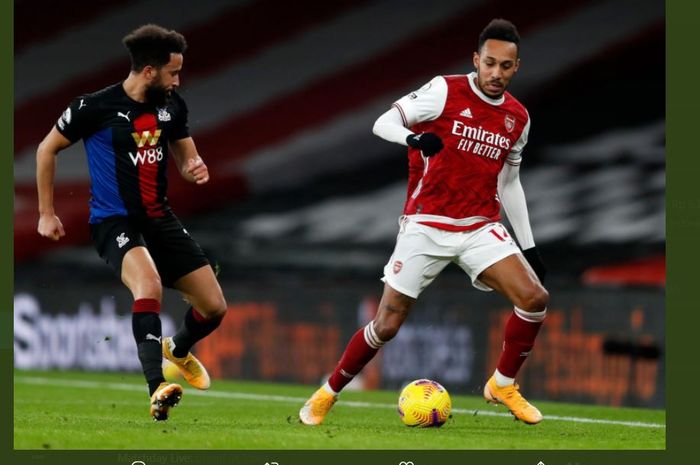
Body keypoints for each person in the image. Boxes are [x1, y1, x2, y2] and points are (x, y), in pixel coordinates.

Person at [300, 18, 548, 426]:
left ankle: (502, 383)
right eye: (489, 63)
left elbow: (510, 182)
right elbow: (383, 122)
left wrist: (530, 246)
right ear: (476, 60)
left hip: (479, 226)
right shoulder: (443, 90)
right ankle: (328, 392)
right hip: (426, 224)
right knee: (387, 324)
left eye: (506, 66)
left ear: (516, 67)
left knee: (535, 299)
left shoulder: (517, 118)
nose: (496, 74)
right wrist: (413, 139)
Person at [36, 24, 228, 421]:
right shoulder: (94, 107)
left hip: (159, 217)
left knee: (213, 307)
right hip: (113, 220)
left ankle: (177, 349)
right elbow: (46, 149)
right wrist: (46, 212)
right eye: (172, 72)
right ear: (148, 71)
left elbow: (186, 157)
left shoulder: (172, 106)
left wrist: (193, 167)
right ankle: (157, 387)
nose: (178, 80)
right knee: (149, 284)